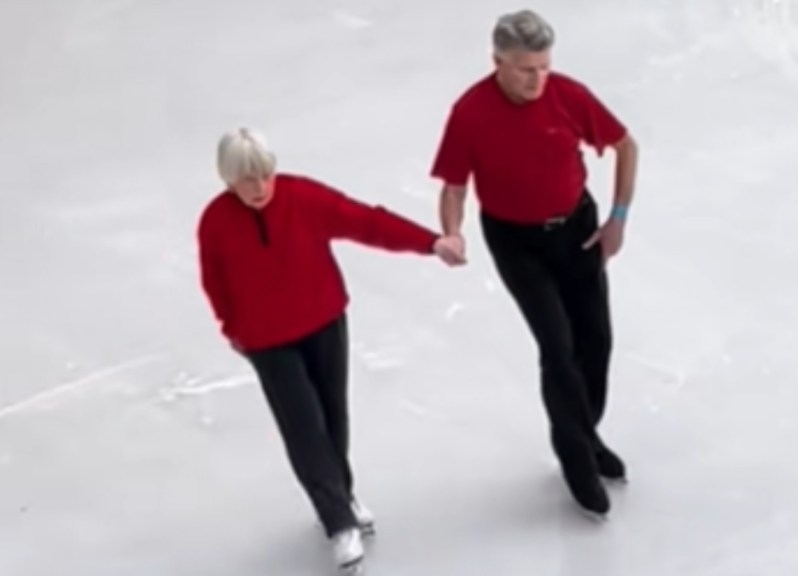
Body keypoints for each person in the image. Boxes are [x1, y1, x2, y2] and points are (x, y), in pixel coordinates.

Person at [196, 127, 465, 571]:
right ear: (228, 179)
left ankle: (342, 494)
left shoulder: (302, 198)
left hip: (324, 323)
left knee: (332, 418)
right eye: (248, 180)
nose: (260, 188)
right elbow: (215, 280)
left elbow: (365, 221)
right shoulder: (215, 222)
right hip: (268, 342)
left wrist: (430, 242)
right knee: (303, 428)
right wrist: (233, 328)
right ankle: (338, 522)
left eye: (265, 175)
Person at [428, 9, 639, 517]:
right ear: (497, 61)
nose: (537, 79)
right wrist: (452, 233)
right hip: (516, 241)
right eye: (526, 69)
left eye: (544, 67)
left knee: (596, 340)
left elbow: (625, 145)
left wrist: (617, 217)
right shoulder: (471, 112)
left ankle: (585, 433)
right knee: (557, 345)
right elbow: (455, 187)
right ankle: (576, 462)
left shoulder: (568, 96)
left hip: (577, 229)